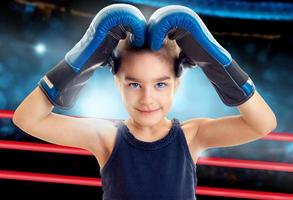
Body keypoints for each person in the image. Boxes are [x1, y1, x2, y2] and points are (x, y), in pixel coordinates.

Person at [12, 4, 277, 200]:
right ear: (117, 82)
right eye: (135, 84)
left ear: (177, 84)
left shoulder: (192, 135)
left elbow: (262, 124)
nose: (148, 98)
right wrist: (81, 58)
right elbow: (27, 119)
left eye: (160, 84)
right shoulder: (106, 137)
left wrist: (217, 61)